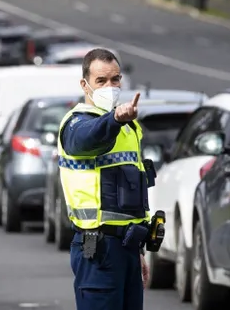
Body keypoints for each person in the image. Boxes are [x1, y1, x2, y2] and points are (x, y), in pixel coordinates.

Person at [57, 48, 157, 310]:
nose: (110, 86)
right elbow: (87, 139)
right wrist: (113, 119)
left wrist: (137, 252)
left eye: (115, 79)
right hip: (98, 250)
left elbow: (129, 195)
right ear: (85, 84)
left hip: (127, 248)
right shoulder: (76, 124)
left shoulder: (129, 128)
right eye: (101, 81)